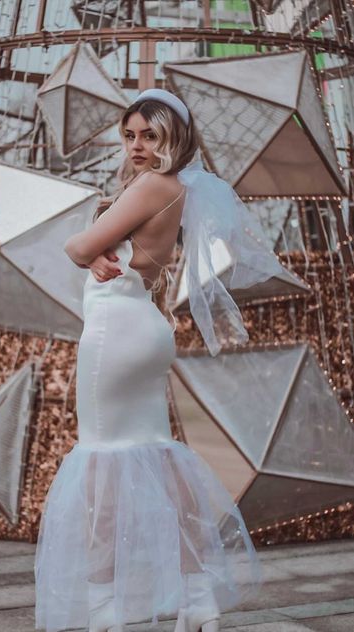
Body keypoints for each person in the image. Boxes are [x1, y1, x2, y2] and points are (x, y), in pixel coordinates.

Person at [35, 88, 284, 632]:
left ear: (174, 137)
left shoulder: (151, 185)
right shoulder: (176, 190)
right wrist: (96, 249)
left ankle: (103, 608)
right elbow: (109, 249)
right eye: (129, 135)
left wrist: (88, 250)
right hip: (144, 330)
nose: (137, 146)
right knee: (160, 459)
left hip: (116, 332)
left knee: (99, 465)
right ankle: (198, 599)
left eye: (150, 135)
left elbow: (78, 248)